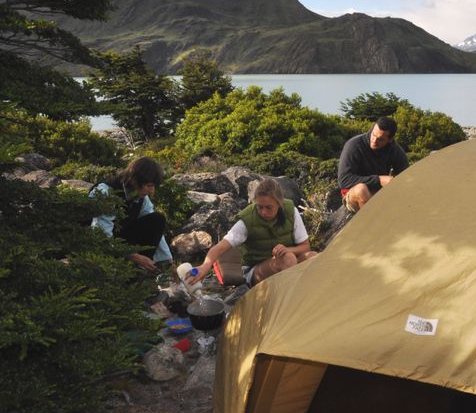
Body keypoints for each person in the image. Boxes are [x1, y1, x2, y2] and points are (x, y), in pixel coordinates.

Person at [187, 178, 316, 287]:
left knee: (313, 257)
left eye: (269, 207)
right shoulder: (247, 220)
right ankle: (290, 304)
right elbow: (220, 247)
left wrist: (287, 249)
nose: (263, 212)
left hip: (289, 260)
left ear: (279, 204)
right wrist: (205, 266)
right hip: (255, 270)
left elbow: (306, 247)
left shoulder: (290, 211)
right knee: (287, 259)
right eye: (260, 207)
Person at [90, 156, 172, 271]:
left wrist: (167, 260)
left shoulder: (140, 196)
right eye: (149, 186)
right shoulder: (106, 192)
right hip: (97, 245)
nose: (152, 191)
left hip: (121, 239)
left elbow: (155, 227)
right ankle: (125, 271)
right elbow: (101, 236)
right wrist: (133, 256)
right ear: (135, 180)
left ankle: (143, 270)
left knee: (157, 219)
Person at [338, 116, 409, 212]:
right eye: (373, 135)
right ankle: (373, 224)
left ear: (390, 139)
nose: (374, 141)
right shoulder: (354, 145)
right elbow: (344, 180)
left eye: (380, 139)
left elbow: (406, 178)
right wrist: (379, 180)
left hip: (379, 193)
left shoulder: (395, 151)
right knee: (361, 189)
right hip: (353, 193)